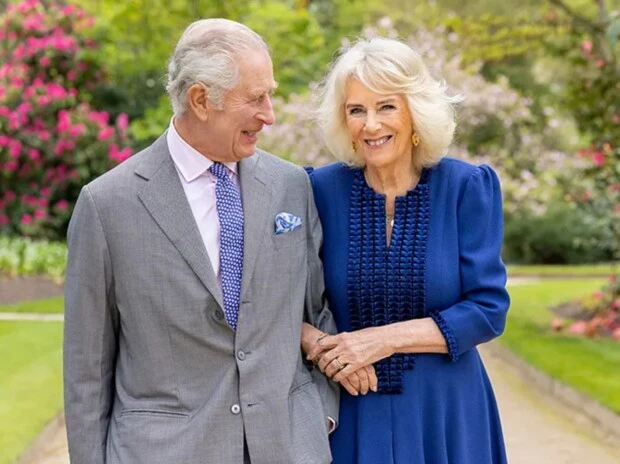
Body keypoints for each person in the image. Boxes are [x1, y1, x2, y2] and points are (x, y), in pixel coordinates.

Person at [63, 19, 340, 464]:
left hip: (286, 447)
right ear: (200, 100)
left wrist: (318, 417)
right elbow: (86, 370)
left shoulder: (291, 185)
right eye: (255, 98)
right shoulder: (107, 205)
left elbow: (316, 309)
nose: (269, 114)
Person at [303, 37, 510, 463]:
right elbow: (280, 302)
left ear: (415, 112)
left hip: (447, 415)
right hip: (352, 410)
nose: (370, 125)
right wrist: (323, 348)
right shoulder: (316, 191)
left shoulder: (466, 187)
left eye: (386, 107)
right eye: (356, 110)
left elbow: (488, 310)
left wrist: (381, 341)